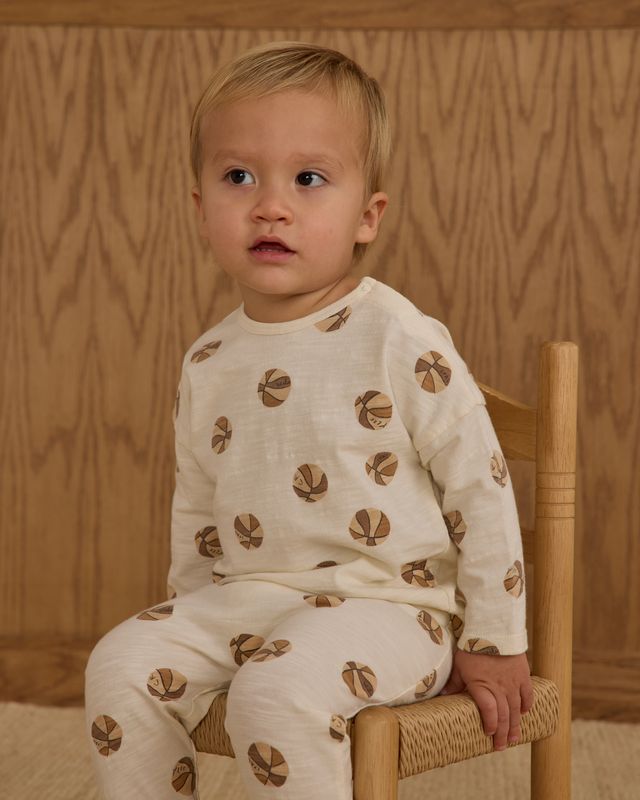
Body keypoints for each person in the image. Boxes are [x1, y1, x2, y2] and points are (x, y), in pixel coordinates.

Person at [84, 40, 533, 800]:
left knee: (276, 690)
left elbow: (479, 490)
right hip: (246, 599)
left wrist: (494, 639)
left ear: (367, 216)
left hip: (392, 609)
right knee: (119, 667)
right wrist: (188, 621)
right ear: (201, 209)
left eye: (309, 179)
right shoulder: (210, 359)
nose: (271, 204)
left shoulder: (398, 337)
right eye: (238, 177)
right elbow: (198, 510)